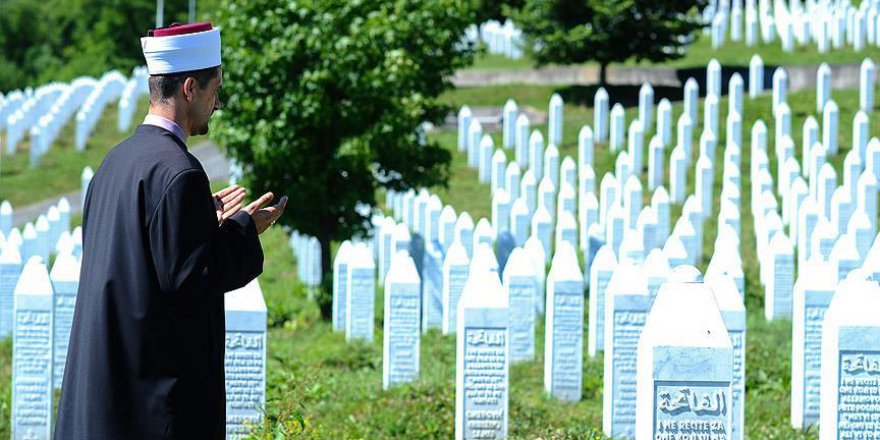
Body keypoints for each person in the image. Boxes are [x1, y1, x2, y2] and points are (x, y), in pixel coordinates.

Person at [54, 22, 287, 439]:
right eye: (215, 91)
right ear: (190, 88)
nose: (217, 105)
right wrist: (243, 229)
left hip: (106, 391)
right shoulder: (180, 172)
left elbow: (146, 256)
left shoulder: (116, 161)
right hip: (150, 408)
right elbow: (191, 276)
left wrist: (201, 221)